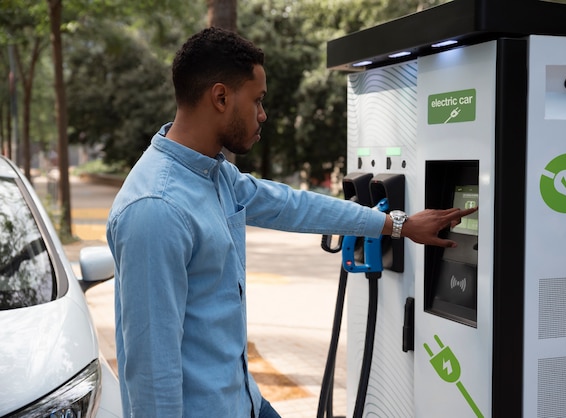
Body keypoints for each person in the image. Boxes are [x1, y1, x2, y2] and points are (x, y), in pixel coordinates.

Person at [106, 27, 477, 418]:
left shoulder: (214, 175)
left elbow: (294, 206)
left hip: (243, 401)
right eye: (257, 100)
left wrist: (397, 225)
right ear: (220, 97)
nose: (262, 115)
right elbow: (151, 375)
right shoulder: (156, 209)